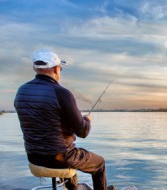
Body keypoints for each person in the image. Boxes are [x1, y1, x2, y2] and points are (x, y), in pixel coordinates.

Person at [14, 48, 114, 190]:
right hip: (58, 158)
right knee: (99, 163)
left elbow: (45, 121)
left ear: (35, 68)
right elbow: (83, 132)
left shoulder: (21, 91)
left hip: (33, 157)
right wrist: (87, 120)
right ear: (56, 68)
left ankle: (72, 188)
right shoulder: (62, 93)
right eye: (60, 68)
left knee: (68, 149)